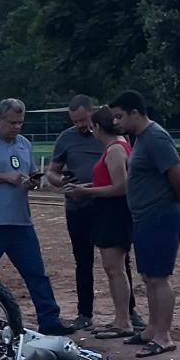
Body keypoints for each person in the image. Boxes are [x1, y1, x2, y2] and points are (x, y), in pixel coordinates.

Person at [0, 98, 75, 336]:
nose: (17, 127)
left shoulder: (24, 144)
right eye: (12, 122)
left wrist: (31, 183)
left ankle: (49, 320)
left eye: (20, 123)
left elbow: (28, 175)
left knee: (36, 273)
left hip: (20, 222)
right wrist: (4, 176)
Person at [47, 95, 144, 333]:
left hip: (106, 207)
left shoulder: (114, 144)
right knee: (85, 261)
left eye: (84, 120)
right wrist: (63, 182)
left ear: (95, 117)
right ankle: (86, 313)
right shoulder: (67, 138)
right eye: (76, 121)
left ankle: (127, 313)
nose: (82, 125)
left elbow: (120, 184)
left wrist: (86, 189)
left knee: (117, 264)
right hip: (80, 207)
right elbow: (52, 172)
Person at [108, 91, 180, 358]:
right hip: (145, 217)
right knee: (148, 276)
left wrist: (177, 198)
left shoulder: (155, 137)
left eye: (119, 116)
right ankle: (151, 329)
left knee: (159, 278)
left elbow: (178, 172)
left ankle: (163, 336)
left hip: (160, 215)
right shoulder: (141, 138)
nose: (116, 122)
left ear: (135, 112)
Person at [63, 106, 135, 338]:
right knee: (113, 268)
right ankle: (121, 318)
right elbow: (110, 182)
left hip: (113, 213)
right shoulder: (116, 146)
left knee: (115, 269)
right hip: (109, 212)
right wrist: (87, 187)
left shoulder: (114, 150)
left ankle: (124, 321)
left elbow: (120, 187)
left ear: (97, 127)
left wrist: (86, 192)